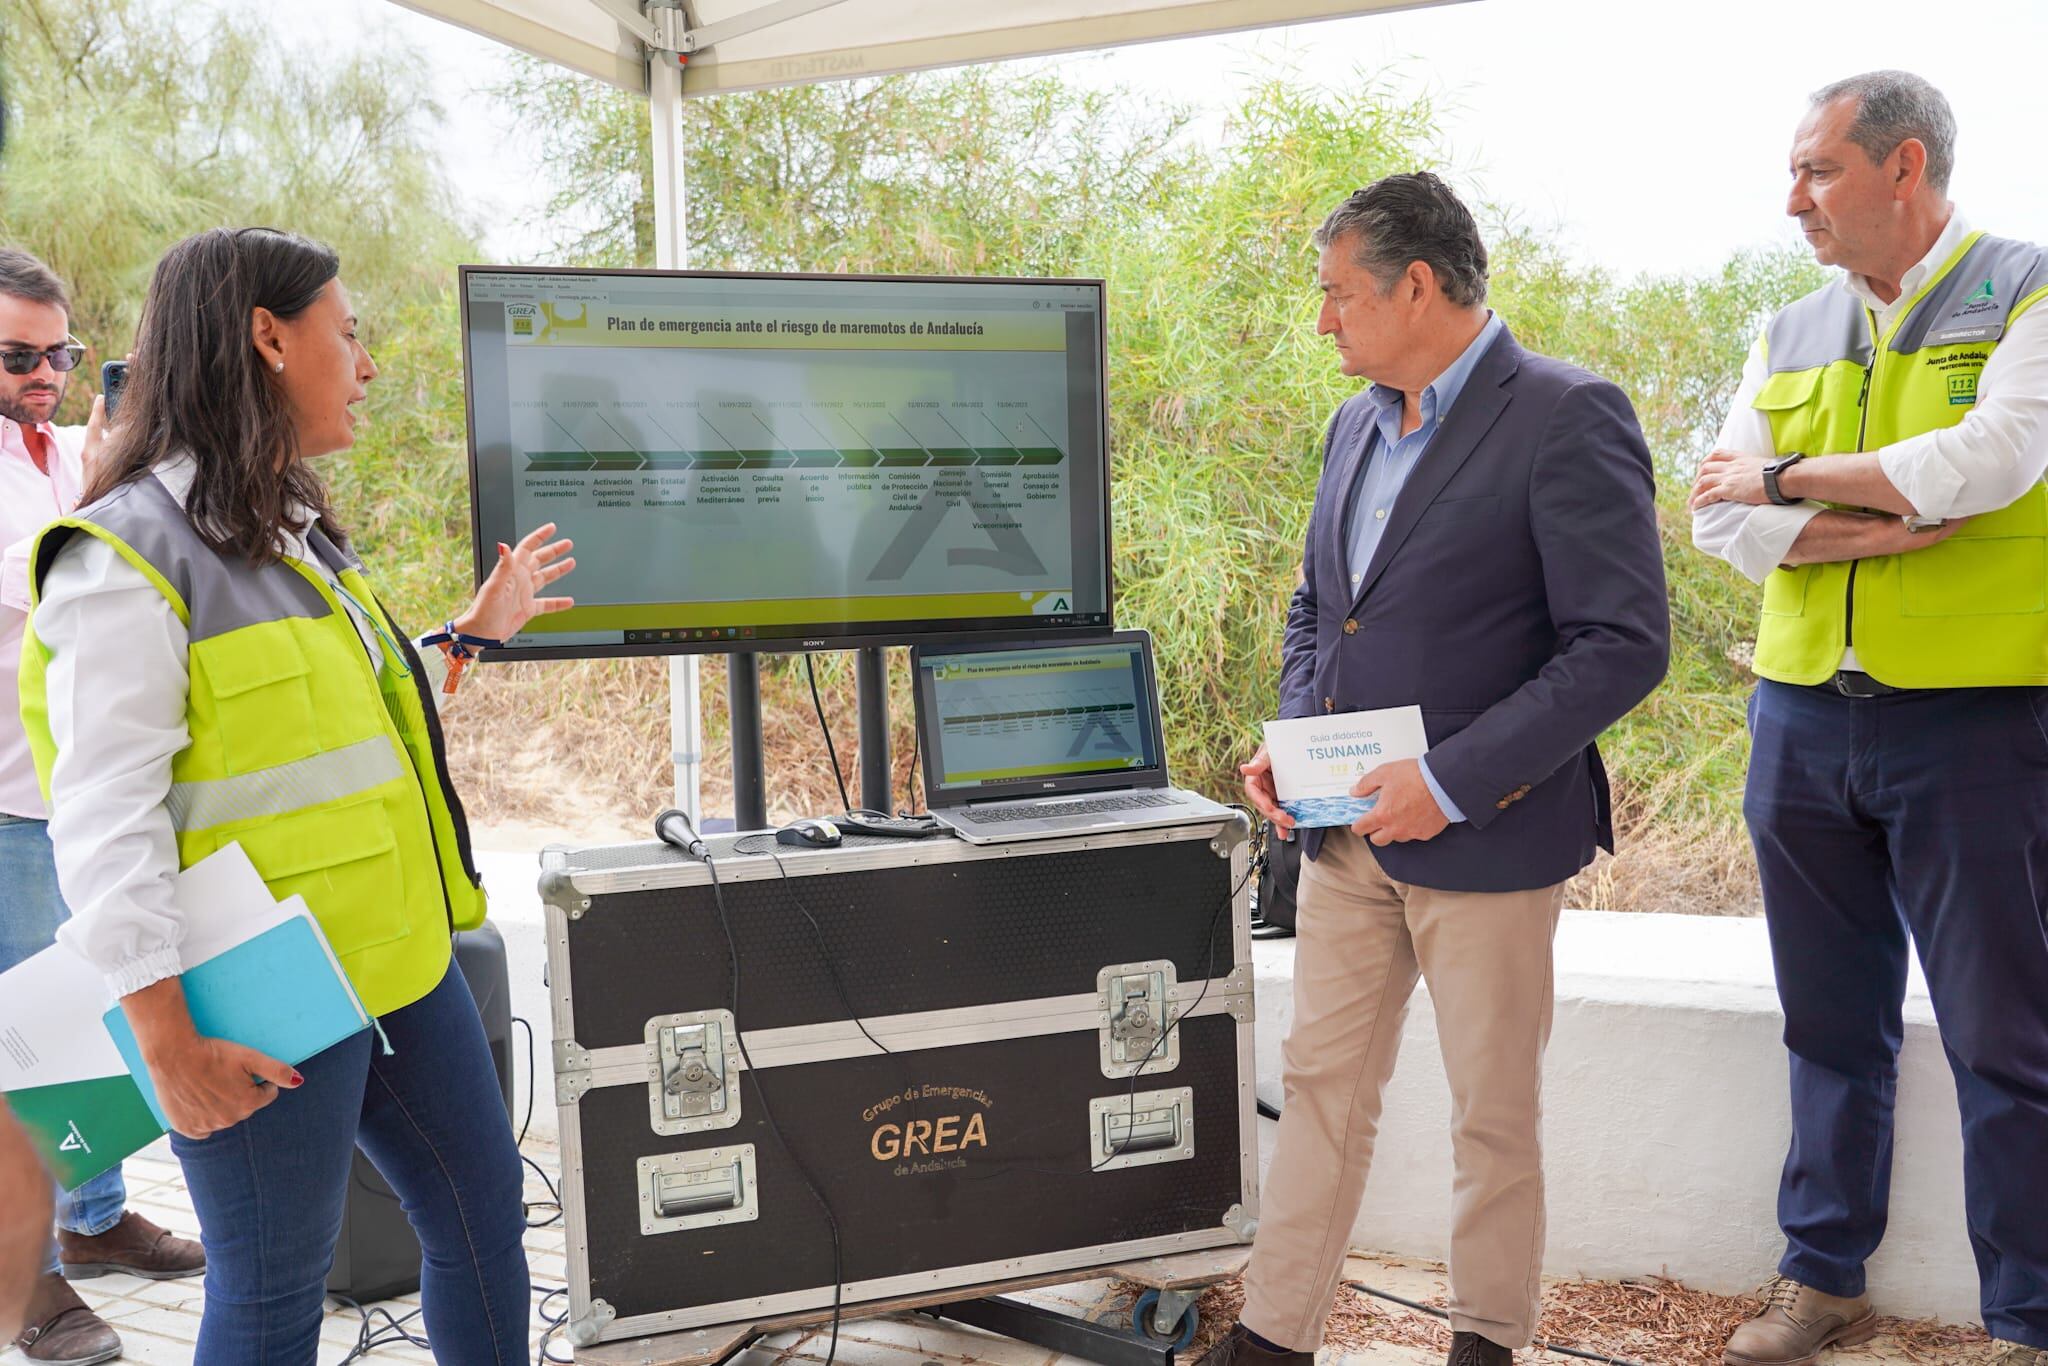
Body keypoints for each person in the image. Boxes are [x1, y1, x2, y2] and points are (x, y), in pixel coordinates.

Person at [17, 225, 577, 1363]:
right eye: (348, 333)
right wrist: (164, 1034)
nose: (364, 364)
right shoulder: (123, 554)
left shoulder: (297, 525)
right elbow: (102, 817)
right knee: (272, 1299)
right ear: (269, 337)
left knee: (483, 1224)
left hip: (395, 968)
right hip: (256, 1003)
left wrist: (469, 635)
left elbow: (351, 727)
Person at [1219, 173, 1670, 1366]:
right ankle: (1269, 1344)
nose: (1323, 321)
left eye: (1337, 296)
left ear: (1415, 286)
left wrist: (1454, 778)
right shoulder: (1353, 420)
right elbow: (1321, 607)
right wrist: (1290, 732)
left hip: (1491, 837)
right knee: (1319, 1088)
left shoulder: (1567, 414)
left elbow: (1621, 646)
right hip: (1344, 835)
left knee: (1490, 1119)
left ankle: (1483, 1346)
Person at [1691, 71, 2048, 1366]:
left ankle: (2027, 1315)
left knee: (2005, 1028)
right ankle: (1822, 1274)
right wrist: (1869, 520)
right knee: (1825, 1018)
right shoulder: (1788, 327)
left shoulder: (2027, 290)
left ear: (1904, 168)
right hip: (1801, 722)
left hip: (1977, 726)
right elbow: (1715, 521)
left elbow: (1988, 463)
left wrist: (1784, 478)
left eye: (1819, 171)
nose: (1796, 201)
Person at [0, 245, 206, 1365]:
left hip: (73, 789)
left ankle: (92, 1222)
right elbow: (51, 570)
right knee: (21, 1045)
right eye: (17, 356)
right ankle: (23, 1281)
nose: (46, 374)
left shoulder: (60, 449)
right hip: (7, 802)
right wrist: (109, 486)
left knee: (93, 1015)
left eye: (61, 353)